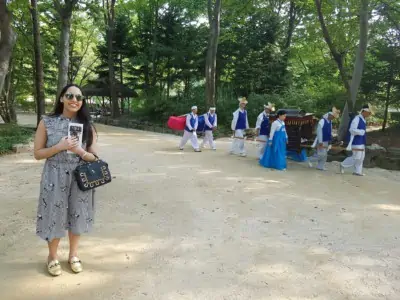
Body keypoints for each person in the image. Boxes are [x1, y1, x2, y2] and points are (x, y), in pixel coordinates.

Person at [33, 84, 98, 276]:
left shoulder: (88, 125)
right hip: (54, 174)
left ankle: (73, 255)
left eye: (79, 97)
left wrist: (80, 151)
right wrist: (59, 147)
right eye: (70, 95)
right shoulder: (47, 122)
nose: (74, 100)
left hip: (80, 175)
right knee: (54, 213)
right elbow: (37, 153)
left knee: (77, 213)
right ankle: (52, 256)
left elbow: (95, 157)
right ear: (61, 98)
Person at [340, 104, 373, 176]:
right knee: (356, 157)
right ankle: (343, 164)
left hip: (362, 141)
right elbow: (351, 130)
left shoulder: (363, 119)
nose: (369, 114)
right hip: (356, 141)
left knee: (361, 158)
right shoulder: (357, 118)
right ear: (364, 111)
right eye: (368, 112)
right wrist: (360, 132)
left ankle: (357, 171)